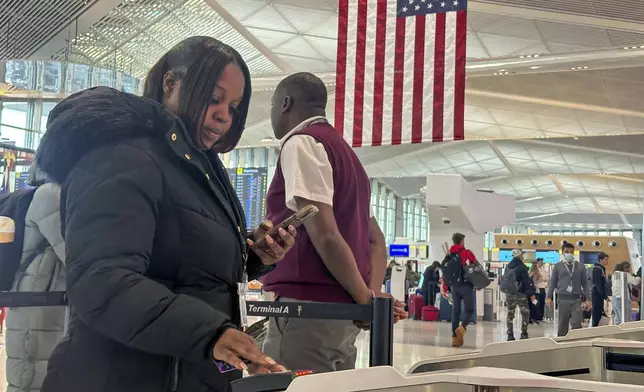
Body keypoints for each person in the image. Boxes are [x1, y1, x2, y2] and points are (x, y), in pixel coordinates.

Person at [36, 37, 297, 392]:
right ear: (170, 83)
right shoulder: (121, 156)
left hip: (182, 372)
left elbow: (183, 261)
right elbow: (102, 280)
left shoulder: (194, 164)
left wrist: (253, 257)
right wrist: (210, 333)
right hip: (124, 377)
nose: (224, 114)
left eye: (234, 106)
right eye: (214, 98)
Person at [261, 72, 405, 373]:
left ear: (286, 103)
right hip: (344, 318)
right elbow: (376, 241)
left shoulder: (302, 143)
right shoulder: (348, 158)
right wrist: (371, 297)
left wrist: (365, 298)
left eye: (273, 103)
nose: (272, 112)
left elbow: (324, 234)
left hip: (309, 312)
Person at [5, 166, 65, 392]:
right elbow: (77, 256)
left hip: (42, 305)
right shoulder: (51, 194)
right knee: (30, 382)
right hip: (38, 309)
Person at [546, 242, 591, 337]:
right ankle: (562, 343)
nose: (569, 254)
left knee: (577, 323)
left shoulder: (580, 266)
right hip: (562, 299)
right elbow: (552, 283)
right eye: (566, 251)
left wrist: (588, 299)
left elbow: (585, 284)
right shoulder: (558, 266)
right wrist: (549, 297)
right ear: (562, 253)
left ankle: (576, 342)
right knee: (562, 324)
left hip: (576, 299)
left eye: (571, 252)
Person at [441, 232, 477, 347]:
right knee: (469, 309)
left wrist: (445, 287)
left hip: (453, 287)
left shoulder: (448, 254)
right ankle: (461, 329)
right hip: (465, 285)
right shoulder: (466, 252)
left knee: (455, 311)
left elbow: (445, 273)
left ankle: (454, 339)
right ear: (461, 241)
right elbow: (475, 266)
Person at [504, 249, 536, 341]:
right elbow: (526, 282)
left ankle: (510, 334)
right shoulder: (522, 267)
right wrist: (531, 294)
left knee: (510, 314)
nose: (523, 255)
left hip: (509, 294)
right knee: (525, 313)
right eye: (522, 254)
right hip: (520, 294)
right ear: (519, 255)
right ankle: (524, 333)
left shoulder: (508, 266)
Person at [590, 252, 609, 327]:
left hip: (599, 294)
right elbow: (598, 284)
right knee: (596, 312)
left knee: (599, 311)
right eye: (605, 259)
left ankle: (596, 326)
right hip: (597, 293)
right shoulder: (597, 269)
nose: (607, 261)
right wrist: (605, 296)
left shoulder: (600, 268)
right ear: (600, 260)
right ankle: (595, 328)